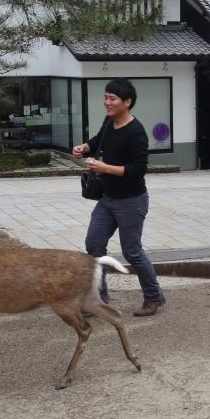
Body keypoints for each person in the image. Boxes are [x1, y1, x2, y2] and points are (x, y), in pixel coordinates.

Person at [73, 78, 165, 316]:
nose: (107, 102)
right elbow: (98, 140)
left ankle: (154, 296)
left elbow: (137, 171)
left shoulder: (136, 132)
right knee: (94, 244)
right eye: (105, 97)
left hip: (131, 200)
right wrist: (85, 147)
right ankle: (98, 300)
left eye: (112, 98)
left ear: (127, 102)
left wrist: (104, 168)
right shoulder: (109, 121)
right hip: (107, 198)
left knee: (132, 251)